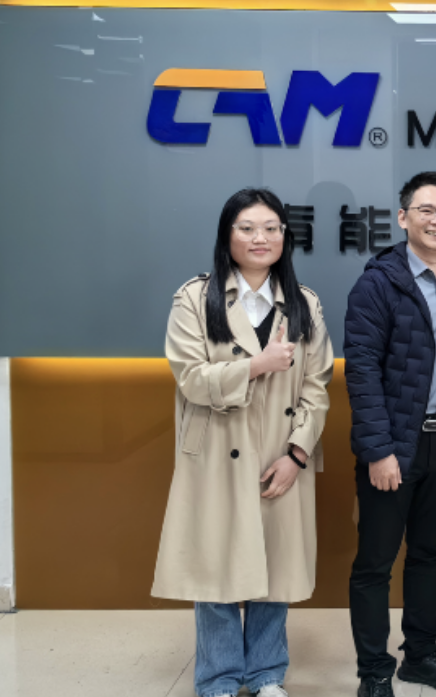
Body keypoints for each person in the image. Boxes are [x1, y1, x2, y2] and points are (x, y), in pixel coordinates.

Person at [153, 187, 334, 697]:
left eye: (271, 228)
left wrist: (297, 454)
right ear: (227, 235)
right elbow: (190, 378)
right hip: (216, 455)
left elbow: (317, 387)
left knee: (274, 569)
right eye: (248, 228)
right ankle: (218, 678)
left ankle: (267, 674)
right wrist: (256, 366)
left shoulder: (304, 303)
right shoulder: (195, 298)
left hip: (279, 453)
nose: (261, 238)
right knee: (215, 570)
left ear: (285, 236)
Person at [345, 172, 436, 697]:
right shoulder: (378, 283)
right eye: (427, 210)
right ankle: (374, 672)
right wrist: (378, 450)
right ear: (403, 217)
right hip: (394, 445)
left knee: (430, 552)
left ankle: (421, 656)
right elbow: (362, 370)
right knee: (375, 563)